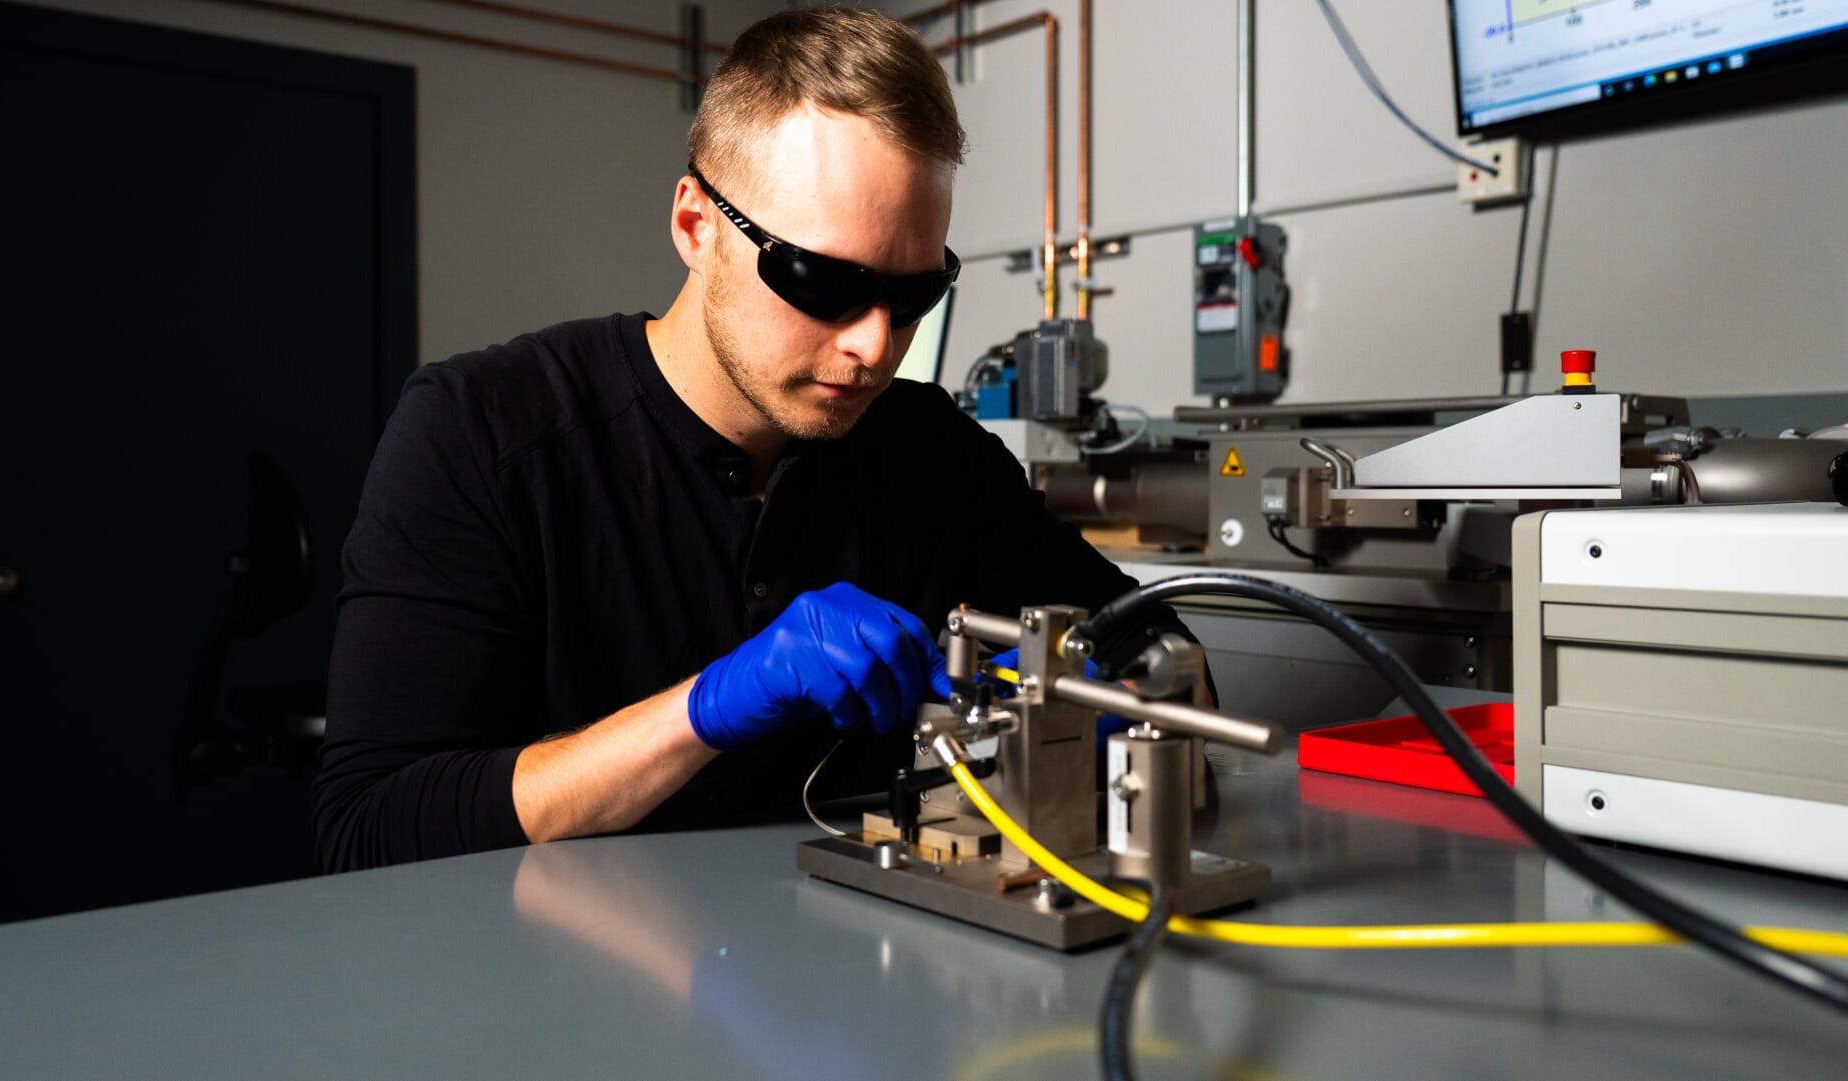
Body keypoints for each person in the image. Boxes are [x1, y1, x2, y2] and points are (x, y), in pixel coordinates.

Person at [314, 8, 1191, 871]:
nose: (875, 346)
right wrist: (705, 708)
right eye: (822, 281)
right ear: (697, 227)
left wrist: (1119, 700)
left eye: (915, 296)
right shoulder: (482, 433)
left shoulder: (937, 456)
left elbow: (1156, 652)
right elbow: (373, 828)